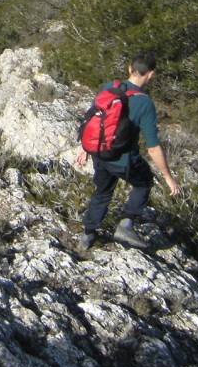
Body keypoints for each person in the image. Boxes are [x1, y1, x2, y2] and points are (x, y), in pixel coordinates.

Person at [76, 51, 181, 250]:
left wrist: (86, 148)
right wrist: (168, 177)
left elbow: (92, 119)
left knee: (102, 192)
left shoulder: (109, 87)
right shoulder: (145, 103)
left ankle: (87, 235)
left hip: (99, 153)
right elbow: (153, 146)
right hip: (123, 160)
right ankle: (126, 225)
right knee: (144, 183)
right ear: (151, 75)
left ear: (129, 69)